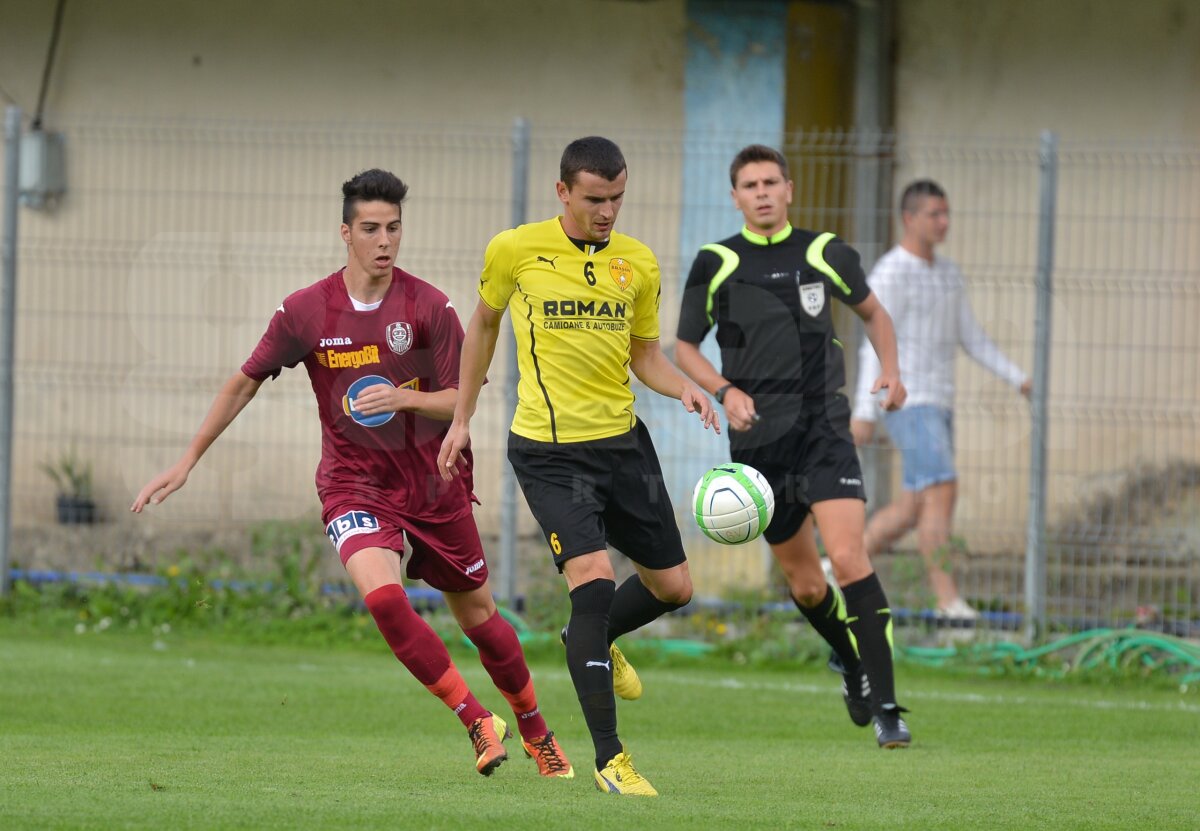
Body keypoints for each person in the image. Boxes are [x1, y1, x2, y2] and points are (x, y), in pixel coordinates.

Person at [130, 169, 573, 780]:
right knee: (387, 601)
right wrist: (187, 461)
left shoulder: (428, 307)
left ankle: (533, 725)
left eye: (394, 228)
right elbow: (244, 382)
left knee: (481, 621)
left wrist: (406, 400)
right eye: (371, 229)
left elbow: (461, 399)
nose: (385, 240)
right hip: (352, 485)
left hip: (433, 482)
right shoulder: (307, 311)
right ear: (346, 233)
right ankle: (475, 718)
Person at [437, 137, 719, 796]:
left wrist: (685, 388)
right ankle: (610, 758)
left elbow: (644, 353)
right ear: (563, 192)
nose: (608, 211)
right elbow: (481, 327)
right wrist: (460, 415)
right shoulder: (515, 249)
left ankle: (585, 637)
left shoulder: (638, 262)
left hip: (623, 444)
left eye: (617, 198)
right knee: (592, 581)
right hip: (549, 450)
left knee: (674, 586)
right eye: (595, 198)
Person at [675, 144, 913, 749]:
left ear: (789, 189)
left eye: (770, 182)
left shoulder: (823, 251)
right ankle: (850, 662)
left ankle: (888, 708)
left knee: (851, 557)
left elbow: (874, 313)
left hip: (824, 430)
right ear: (735, 196)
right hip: (759, 445)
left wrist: (890, 369)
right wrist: (725, 391)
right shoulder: (716, 261)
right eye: (749, 184)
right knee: (807, 586)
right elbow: (684, 349)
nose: (761, 192)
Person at [850, 179, 1031, 620]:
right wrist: (864, 411)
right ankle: (948, 602)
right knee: (942, 490)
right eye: (934, 214)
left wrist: (1019, 378)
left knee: (914, 506)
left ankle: (840, 565)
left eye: (946, 213)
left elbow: (971, 337)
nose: (944, 222)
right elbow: (869, 342)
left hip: (941, 403)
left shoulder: (949, 274)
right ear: (909, 218)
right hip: (909, 403)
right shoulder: (890, 273)